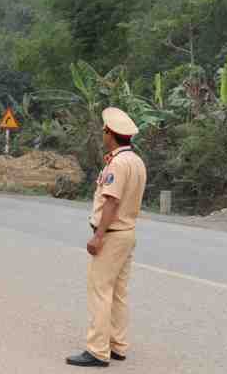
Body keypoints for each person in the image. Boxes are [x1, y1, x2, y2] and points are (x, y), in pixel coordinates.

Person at [66, 107, 147, 367]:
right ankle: (118, 345)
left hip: (111, 234)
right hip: (127, 233)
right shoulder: (136, 160)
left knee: (100, 291)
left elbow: (111, 202)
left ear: (110, 133)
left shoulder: (118, 163)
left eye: (104, 131)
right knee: (119, 292)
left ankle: (97, 350)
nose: (103, 135)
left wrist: (98, 237)